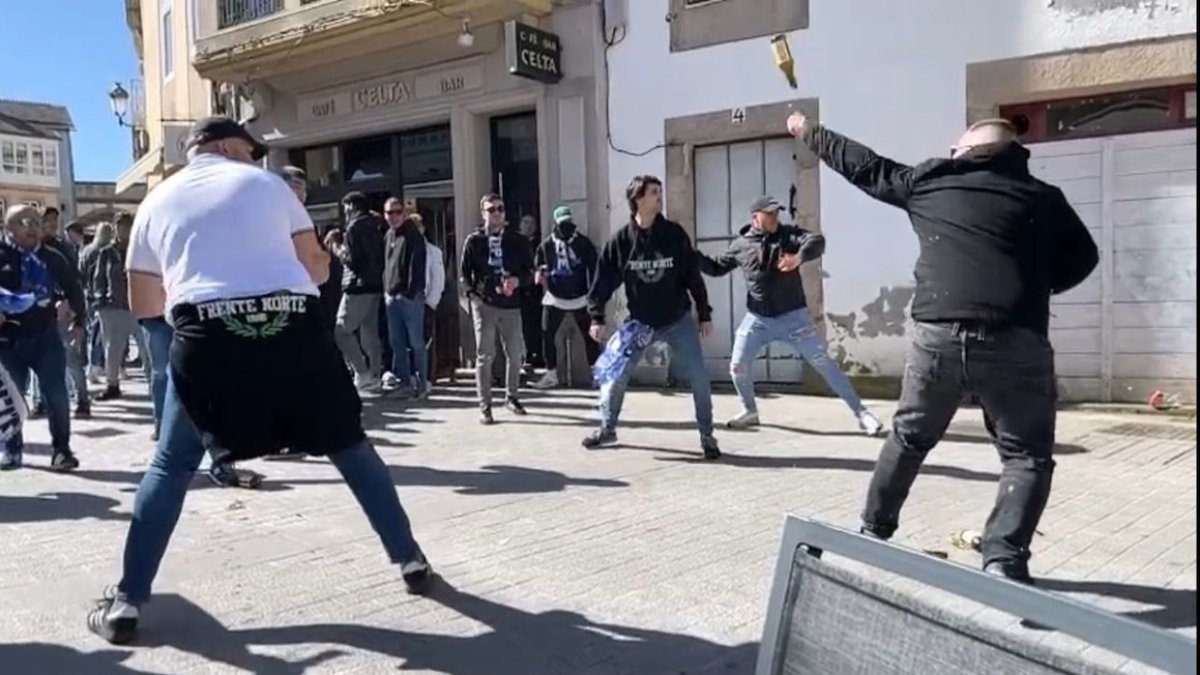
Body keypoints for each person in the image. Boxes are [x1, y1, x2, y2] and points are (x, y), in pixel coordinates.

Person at [88, 117, 431, 645]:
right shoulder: (270, 186)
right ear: (227, 146)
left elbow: (144, 304)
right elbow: (315, 268)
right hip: (292, 326)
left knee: (172, 464)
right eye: (251, 152)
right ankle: (409, 559)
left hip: (208, 334)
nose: (255, 160)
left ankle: (129, 599)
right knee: (351, 448)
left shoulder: (156, 202)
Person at [786, 112, 1099, 583]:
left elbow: (866, 167)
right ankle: (1004, 559)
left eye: (955, 148)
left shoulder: (932, 183)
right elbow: (1085, 256)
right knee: (1025, 456)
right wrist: (1034, 286)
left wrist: (809, 132)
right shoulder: (1043, 198)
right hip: (1015, 338)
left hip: (939, 340)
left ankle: (874, 531)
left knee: (910, 438)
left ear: (970, 151)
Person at [698, 195, 884, 435]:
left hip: (794, 318)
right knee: (737, 366)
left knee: (824, 365)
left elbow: (817, 241)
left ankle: (862, 414)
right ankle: (749, 411)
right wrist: (691, 257)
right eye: (770, 214)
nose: (776, 217)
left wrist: (798, 258)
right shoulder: (741, 245)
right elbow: (715, 268)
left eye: (777, 213)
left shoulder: (788, 236)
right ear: (756, 217)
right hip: (758, 320)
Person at [585, 176, 720, 460]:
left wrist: (704, 313)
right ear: (638, 199)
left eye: (660, 191)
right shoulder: (621, 242)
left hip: (677, 319)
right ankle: (607, 428)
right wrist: (596, 317)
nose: (660, 197)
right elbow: (602, 282)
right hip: (640, 322)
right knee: (615, 373)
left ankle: (707, 435)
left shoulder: (674, 234)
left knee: (698, 376)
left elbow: (692, 276)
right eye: (654, 192)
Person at [0, 204, 86, 471]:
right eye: (25, 221)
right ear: (8, 228)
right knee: (12, 400)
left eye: (37, 221)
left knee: (56, 394)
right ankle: (12, 448)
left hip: (45, 335)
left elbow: (74, 289)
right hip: (7, 340)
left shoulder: (54, 257)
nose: (34, 226)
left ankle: (62, 450)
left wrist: (76, 318)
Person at [460, 193, 534, 425]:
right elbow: (463, 273)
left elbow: (530, 272)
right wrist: (473, 296)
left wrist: (517, 281)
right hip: (485, 303)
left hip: (510, 304)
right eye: (491, 209)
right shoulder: (474, 241)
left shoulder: (518, 240)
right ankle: (485, 406)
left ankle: (512, 396)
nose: (497, 213)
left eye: (500, 208)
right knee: (485, 355)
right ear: (483, 213)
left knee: (515, 353)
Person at [530, 205, 600, 390]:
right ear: (555, 224)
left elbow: (594, 268)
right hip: (555, 296)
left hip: (580, 296)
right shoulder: (546, 245)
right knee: (547, 333)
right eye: (562, 224)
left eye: (568, 222)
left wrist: (593, 294)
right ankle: (551, 373)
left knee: (590, 336)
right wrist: (540, 272)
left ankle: (597, 373)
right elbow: (538, 264)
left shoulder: (583, 243)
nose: (566, 227)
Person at [330, 191, 387, 393]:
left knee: (341, 330)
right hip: (375, 286)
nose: (344, 212)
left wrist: (338, 248)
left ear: (352, 207)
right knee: (369, 333)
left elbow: (353, 260)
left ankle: (362, 374)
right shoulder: (376, 225)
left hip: (357, 286)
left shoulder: (354, 227)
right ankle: (375, 376)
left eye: (346, 207)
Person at [88, 219, 150, 400]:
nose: (124, 230)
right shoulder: (107, 252)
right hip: (112, 306)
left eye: (128, 226)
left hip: (139, 305)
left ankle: (154, 383)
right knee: (113, 348)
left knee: (146, 347)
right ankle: (112, 385)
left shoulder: (140, 248)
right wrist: (99, 300)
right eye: (121, 226)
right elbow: (98, 277)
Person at [381, 197, 429, 399]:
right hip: (391, 296)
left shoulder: (413, 235)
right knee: (396, 342)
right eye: (389, 213)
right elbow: (386, 265)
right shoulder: (388, 235)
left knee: (416, 342)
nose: (393, 216)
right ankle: (403, 382)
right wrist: (386, 290)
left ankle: (422, 383)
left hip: (410, 297)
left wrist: (410, 292)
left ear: (404, 213)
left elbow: (416, 266)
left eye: (397, 211)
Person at [417, 215, 446, 391]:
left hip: (425, 302)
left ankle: (427, 377)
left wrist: (432, 302)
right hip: (407, 302)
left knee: (425, 342)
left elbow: (438, 278)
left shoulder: (433, 251)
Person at [516, 213, 545, 372]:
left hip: (535, 291)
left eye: (531, 222)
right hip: (518, 291)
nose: (528, 226)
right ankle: (525, 354)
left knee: (535, 324)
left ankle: (536, 354)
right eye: (525, 222)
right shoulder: (515, 243)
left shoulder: (538, 245)